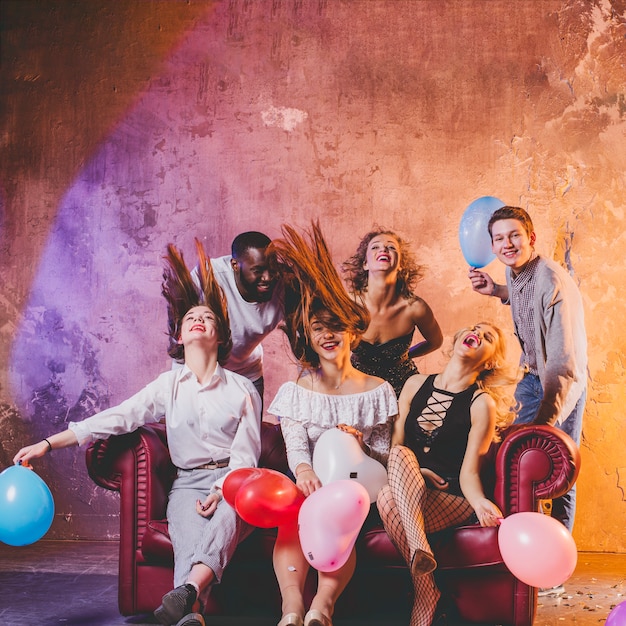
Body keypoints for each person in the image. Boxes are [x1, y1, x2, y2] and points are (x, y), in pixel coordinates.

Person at [14, 240, 262, 626]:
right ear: (179, 337)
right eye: (191, 317)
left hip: (235, 482)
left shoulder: (243, 389)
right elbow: (116, 417)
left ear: (220, 336)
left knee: (235, 508)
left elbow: (247, 456)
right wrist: (48, 443)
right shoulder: (167, 386)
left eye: (208, 318)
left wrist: (222, 488)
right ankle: (189, 608)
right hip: (187, 484)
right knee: (189, 539)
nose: (199, 319)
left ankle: (188, 599)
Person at [266, 222, 398, 626]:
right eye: (319, 328)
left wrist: (362, 446)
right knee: (293, 515)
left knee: (338, 513)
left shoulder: (378, 390)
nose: (329, 335)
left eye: (337, 326)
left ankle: (321, 609)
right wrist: (303, 471)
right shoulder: (298, 390)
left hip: (357, 493)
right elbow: (295, 444)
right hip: (311, 484)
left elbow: (384, 455)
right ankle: (291, 610)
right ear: (308, 334)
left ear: (352, 333)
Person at [377, 322, 519, 626]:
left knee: (390, 497)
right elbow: (396, 447)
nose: (478, 333)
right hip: (407, 485)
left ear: (490, 360)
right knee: (397, 470)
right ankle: (426, 584)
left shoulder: (481, 403)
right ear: (457, 339)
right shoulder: (415, 384)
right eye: (474, 328)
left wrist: (480, 502)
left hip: (450, 495)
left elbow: (469, 472)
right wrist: (418, 473)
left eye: (488, 337)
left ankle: (423, 577)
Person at [467, 206, 587, 539]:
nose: (508, 244)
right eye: (499, 238)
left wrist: (545, 424)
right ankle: (518, 542)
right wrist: (496, 290)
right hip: (532, 376)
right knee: (509, 455)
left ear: (531, 238)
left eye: (515, 235)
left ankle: (554, 560)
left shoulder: (551, 279)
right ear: (492, 246)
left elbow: (564, 363)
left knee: (559, 467)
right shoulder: (514, 269)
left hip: (562, 382)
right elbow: (524, 298)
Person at [342, 228, 443, 396]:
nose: (383, 249)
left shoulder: (415, 307)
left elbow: (436, 342)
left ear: (401, 264)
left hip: (403, 389)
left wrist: (404, 356)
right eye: (375, 247)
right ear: (365, 264)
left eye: (391, 247)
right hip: (357, 387)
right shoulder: (347, 303)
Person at [191, 231, 283, 406]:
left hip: (246, 371)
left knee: (250, 431)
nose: (268, 277)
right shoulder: (208, 276)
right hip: (200, 370)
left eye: (272, 269)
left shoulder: (284, 285)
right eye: (258, 270)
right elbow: (182, 326)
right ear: (235, 265)